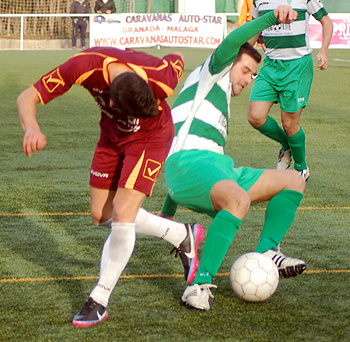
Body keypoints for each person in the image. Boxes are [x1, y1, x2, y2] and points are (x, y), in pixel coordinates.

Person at [17, 46, 205, 327]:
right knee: (101, 215)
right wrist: (31, 127)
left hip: (152, 138)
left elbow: (177, 59)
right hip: (112, 136)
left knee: (123, 212)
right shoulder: (82, 66)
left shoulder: (162, 77)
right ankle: (181, 234)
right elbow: (27, 96)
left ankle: (99, 299)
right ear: (113, 103)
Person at [159, 6, 307, 311]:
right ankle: (198, 284)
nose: (249, 79)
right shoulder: (212, 72)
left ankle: (267, 252)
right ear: (229, 64)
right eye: (245, 71)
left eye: (254, 75)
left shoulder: (216, 96)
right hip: (189, 165)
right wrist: (270, 19)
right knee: (238, 199)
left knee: (293, 181)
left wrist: (167, 213)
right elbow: (234, 41)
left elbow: (177, 140)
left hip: (216, 168)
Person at [247, 0, 333, 181]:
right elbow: (254, 29)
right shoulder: (257, 1)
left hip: (298, 67)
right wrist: (243, 58)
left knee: (289, 123)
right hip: (270, 65)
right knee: (255, 116)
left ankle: (301, 168)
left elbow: (326, 20)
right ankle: (286, 144)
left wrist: (323, 50)